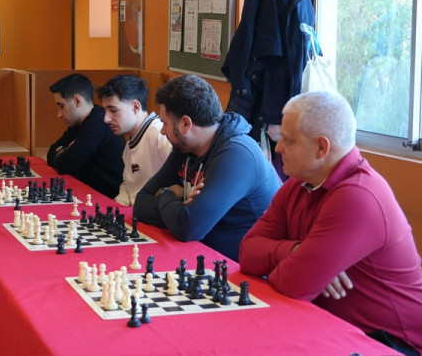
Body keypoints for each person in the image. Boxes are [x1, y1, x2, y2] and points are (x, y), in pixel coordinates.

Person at [239, 91, 422, 355]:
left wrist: (300, 266)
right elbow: (247, 252)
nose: (277, 148)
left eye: (287, 141)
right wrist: (295, 252)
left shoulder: (359, 195)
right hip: (328, 327)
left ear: (321, 147)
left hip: (388, 343)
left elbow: (293, 283)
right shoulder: (298, 183)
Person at [133, 74, 280, 261]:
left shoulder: (237, 153)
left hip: (240, 270)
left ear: (185, 124)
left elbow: (188, 228)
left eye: (165, 123)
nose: (162, 131)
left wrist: (166, 194)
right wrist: (181, 209)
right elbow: (141, 203)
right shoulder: (186, 147)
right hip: (201, 256)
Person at [96, 74, 172, 206]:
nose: (106, 119)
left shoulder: (160, 134)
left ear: (136, 107)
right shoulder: (131, 141)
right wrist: (118, 207)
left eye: (113, 110)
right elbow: (128, 185)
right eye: (105, 111)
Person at [47, 73, 125, 199]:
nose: (59, 115)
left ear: (77, 101)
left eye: (62, 106)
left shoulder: (98, 122)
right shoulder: (78, 124)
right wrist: (66, 152)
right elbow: (51, 152)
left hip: (108, 199)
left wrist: (65, 152)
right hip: (89, 192)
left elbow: (65, 164)